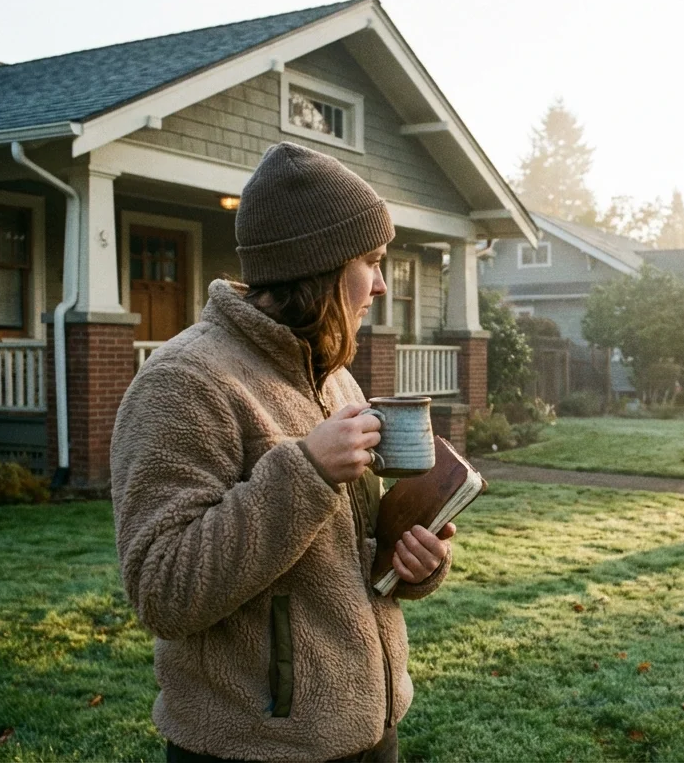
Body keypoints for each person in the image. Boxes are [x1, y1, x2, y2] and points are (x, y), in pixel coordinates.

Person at [110, 142, 455, 763]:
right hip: (253, 747)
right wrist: (307, 471)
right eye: (371, 262)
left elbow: (337, 556)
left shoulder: (333, 376)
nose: (381, 283)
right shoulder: (185, 380)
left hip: (370, 733)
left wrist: (409, 562)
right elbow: (162, 589)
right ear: (316, 266)